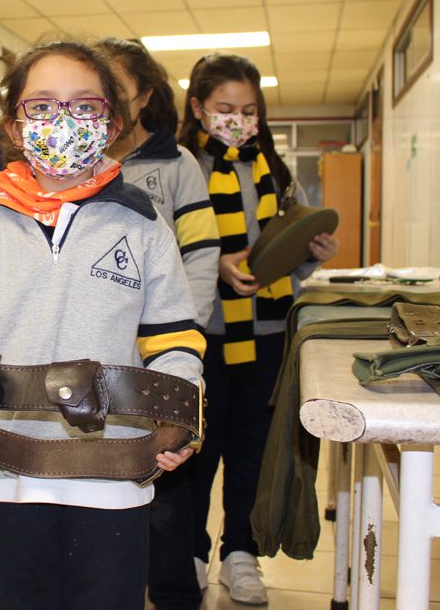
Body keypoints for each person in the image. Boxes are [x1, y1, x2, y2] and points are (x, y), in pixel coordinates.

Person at [0, 39, 205, 610]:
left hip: (113, 470)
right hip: (8, 466)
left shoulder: (143, 225)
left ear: (112, 125)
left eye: (84, 105)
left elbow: (174, 340)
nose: (63, 120)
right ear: (15, 126)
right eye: (42, 105)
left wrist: (182, 413)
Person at [163, 53, 338, 607]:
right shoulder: (181, 166)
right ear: (197, 108)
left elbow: (281, 253)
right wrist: (212, 263)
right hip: (203, 334)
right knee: (197, 449)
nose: (237, 120)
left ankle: (241, 551)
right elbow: (162, 249)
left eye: (248, 110)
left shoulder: (273, 170)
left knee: (252, 450)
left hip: (267, 332)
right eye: (224, 108)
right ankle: (191, 552)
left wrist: (311, 254)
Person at [97, 38, 219, 330]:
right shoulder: (78, 165)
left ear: (144, 96)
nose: (109, 107)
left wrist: (188, 333)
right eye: (99, 94)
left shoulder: (178, 163)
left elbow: (201, 255)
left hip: (160, 329)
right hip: (96, 329)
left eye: (118, 93)